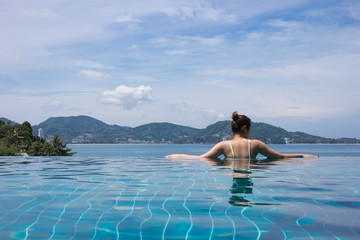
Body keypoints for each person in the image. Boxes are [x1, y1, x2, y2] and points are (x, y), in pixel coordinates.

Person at [165, 111, 318, 159]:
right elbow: (281, 157)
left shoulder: (223, 145)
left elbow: (200, 159)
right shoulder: (256, 144)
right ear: (245, 128)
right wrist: (304, 156)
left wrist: (175, 155)